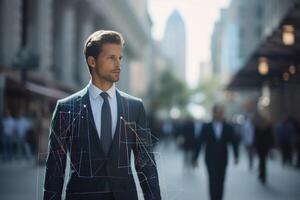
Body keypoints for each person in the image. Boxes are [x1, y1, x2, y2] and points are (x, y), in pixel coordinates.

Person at [43, 30, 161, 200]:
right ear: (92, 61)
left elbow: (146, 164)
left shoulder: (134, 107)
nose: (118, 65)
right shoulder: (66, 108)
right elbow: (55, 168)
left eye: (120, 58)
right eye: (111, 58)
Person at [193, 104, 239, 200]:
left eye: (221, 112)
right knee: (212, 180)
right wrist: (195, 158)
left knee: (221, 180)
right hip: (210, 158)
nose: (220, 114)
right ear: (214, 113)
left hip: (223, 157)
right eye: (218, 112)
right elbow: (200, 142)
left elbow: (234, 141)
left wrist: (236, 156)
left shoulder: (228, 126)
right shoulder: (206, 126)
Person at [254, 114, 273, 184]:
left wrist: (271, 146)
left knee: (263, 160)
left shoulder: (268, 127)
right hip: (260, 146)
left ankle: (262, 174)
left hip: (265, 147)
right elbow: (255, 138)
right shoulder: (257, 127)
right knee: (262, 160)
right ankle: (262, 174)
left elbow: (271, 137)